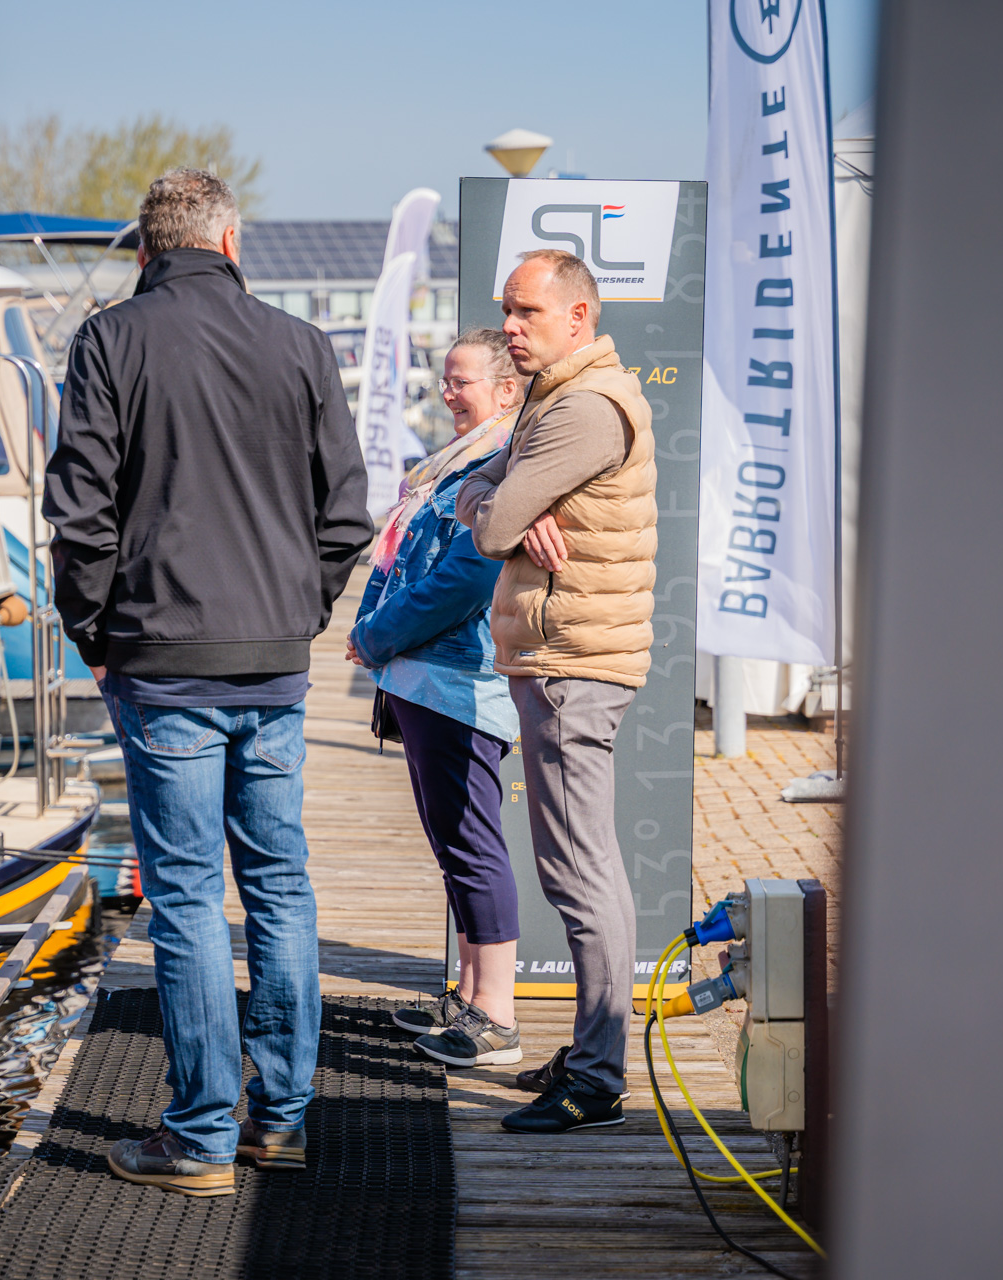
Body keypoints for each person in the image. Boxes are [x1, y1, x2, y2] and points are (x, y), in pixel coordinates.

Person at [42, 169, 372, 1196]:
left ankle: (198, 1136)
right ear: (232, 243)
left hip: (163, 659)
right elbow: (346, 512)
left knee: (185, 896)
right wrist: (298, 611)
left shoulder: (111, 339)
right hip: (272, 664)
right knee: (281, 884)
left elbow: (81, 510)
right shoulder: (302, 342)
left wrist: (91, 630)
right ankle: (280, 1118)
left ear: (149, 249)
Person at [456, 250, 657, 1135]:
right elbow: (473, 493)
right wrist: (498, 496)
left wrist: (501, 501)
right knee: (577, 866)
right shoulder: (557, 399)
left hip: (575, 664)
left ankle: (599, 1080)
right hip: (558, 658)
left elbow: (488, 517)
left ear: (579, 316)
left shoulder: (581, 409)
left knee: (581, 871)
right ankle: (589, 1055)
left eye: (528, 312)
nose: (511, 326)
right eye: (506, 310)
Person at [346, 328, 525, 1068]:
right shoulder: (460, 464)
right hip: (430, 683)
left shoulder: (500, 465)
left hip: (460, 685)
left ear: (507, 391)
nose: (448, 393)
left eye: (463, 382)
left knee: (473, 845)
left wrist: (378, 636)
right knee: (455, 844)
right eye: (444, 380)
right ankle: (471, 997)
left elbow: (465, 580)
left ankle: (498, 1018)